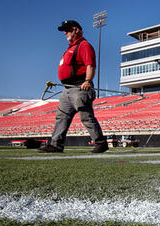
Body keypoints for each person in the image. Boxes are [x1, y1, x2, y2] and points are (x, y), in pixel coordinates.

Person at [38, 20, 108, 153]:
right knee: (61, 116)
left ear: (76, 30)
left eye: (68, 30)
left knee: (86, 116)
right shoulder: (71, 47)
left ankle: (100, 142)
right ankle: (56, 145)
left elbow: (90, 65)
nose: (65, 33)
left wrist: (88, 80)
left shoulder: (84, 45)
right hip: (67, 89)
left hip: (79, 87)